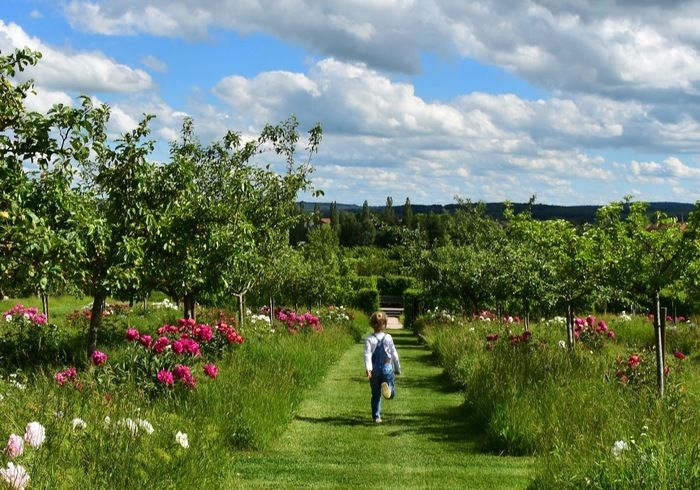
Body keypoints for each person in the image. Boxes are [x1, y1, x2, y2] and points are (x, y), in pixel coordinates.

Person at [364, 311, 401, 423]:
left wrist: (368, 369)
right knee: (390, 391)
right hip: (387, 368)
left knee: (375, 395)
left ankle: (376, 417)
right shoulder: (388, 337)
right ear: (384, 324)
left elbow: (367, 355)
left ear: (372, 324)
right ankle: (389, 390)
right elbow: (394, 354)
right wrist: (397, 368)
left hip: (374, 371)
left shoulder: (369, 339)